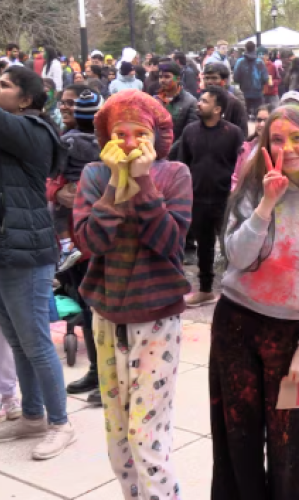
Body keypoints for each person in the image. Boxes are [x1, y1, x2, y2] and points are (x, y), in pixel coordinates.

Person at [210, 104, 299, 500]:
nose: (289, 148)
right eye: (277, 140)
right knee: (237, 434)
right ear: (264, 146)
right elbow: (238, 257)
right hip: (235, 324)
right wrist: (266, 204)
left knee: (295, 442)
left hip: (291, 337)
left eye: (297, 138)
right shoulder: (250, 191)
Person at [73, 89, 191, 499]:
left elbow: (170, 243)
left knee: (147, 439)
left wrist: (140, 180)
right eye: (118, 133)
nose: (126, 143)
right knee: (119, 441)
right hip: (107, 318)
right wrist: (113, 188)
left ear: (156, 139)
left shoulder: (173, 174)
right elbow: (90, 243)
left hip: (157, 318)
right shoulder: (94, 175)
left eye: (138, 133)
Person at [0, 66, 74, 459]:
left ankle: (61, 422)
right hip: (9, 249)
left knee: (37, 344)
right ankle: (31, 415)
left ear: (26, 99)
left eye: (4, 86)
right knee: (18, 341)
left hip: (28, 254)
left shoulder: (32, 131)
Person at [50, 86, 103, 405]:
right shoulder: (62, 138)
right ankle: (98, 371)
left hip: (91, 240)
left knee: (100, 311)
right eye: (64, 103)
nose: (67, 108)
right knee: (84, 306)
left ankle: (109, 378)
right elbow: (49, 181)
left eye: (74, 104)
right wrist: (56, 190)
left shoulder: (71, 143)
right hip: (73, 239)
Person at [178, 86, 243, 307]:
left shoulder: (233, 133)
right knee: (204, 247)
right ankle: (205, 290)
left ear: (217, 109)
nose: (199, 103)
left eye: (205, 101)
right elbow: (183, 165)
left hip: (225, 200)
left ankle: (235, 292)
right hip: (197, 199)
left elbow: (239, 167)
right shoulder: (189, 132)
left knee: (230, 246)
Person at [156, 60, 198, 159]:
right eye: (160, 77)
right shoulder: (155, 101)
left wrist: (167, 152)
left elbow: (188, 134)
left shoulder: (190, 102)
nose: (162, 80)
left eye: (167, 77)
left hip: (178, 157)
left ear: (178, 78)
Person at [203, 62, 249, 137]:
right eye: (207, 78)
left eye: (214, 78)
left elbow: (242, 133)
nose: (209, 82)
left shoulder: (234, 103)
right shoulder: (201, 101)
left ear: (224, 81)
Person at [232, 104, 269, 191]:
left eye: (266, 121)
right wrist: (234, 194)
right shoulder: (246, 147)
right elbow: (236, 177)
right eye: (259, 120)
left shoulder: (277, 150)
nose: (261, 124)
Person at [234, 41, 269, 117]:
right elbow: (265, 78)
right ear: (255, 49)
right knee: (259, 116)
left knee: (244, 117)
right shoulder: (260, 62)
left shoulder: (240, 62)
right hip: (258, 93)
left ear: (245, 49)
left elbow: (235, 78)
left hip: (243, 93)